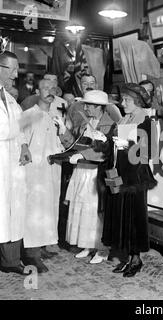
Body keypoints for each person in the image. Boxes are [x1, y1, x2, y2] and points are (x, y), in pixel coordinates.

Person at [102, 83, 157, 277]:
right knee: (121, 215)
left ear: (137, 102)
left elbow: (150, 152)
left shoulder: (147, 121)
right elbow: (113, 147)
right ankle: (127, 257)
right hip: (119, 174)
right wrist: (104, 142)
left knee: (135, 217)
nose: (123, 103)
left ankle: (136, 259)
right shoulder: (123, 120)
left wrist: (128, 145)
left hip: (135, 176)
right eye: (123, 99)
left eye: (126, 100)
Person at [58, 90, 116, 264]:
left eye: (88, 105)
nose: (85, 108)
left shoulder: (111, 125)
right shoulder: (86, 124)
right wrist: (63, 131)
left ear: (99, 107)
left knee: (97, 211)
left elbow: (108, 153)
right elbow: (76, 146)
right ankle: (87, 244)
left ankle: (102, 248)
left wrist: (85, 156)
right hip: (82, 172)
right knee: (83, 210)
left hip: (97, 174)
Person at [21, 79, 66, 273]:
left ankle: (41, 246)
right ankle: (31, 255)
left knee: (48, 209)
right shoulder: (29, 114)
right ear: (37, 91)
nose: (49, 91)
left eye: (52, 89)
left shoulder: (55, 116)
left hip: (52, 170)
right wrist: (24, 148)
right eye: (45, 88)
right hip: (34, 173)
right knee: (34, 211)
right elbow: (16, 135)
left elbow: (59, 141)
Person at [0, 51, 34, 275]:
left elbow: (20, 127)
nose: (15, 74)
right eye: (11, 69)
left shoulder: (11, 98)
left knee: (14, 208)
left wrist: (23, 146)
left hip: (12, 162)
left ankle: (10, 261)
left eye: (17, 69)